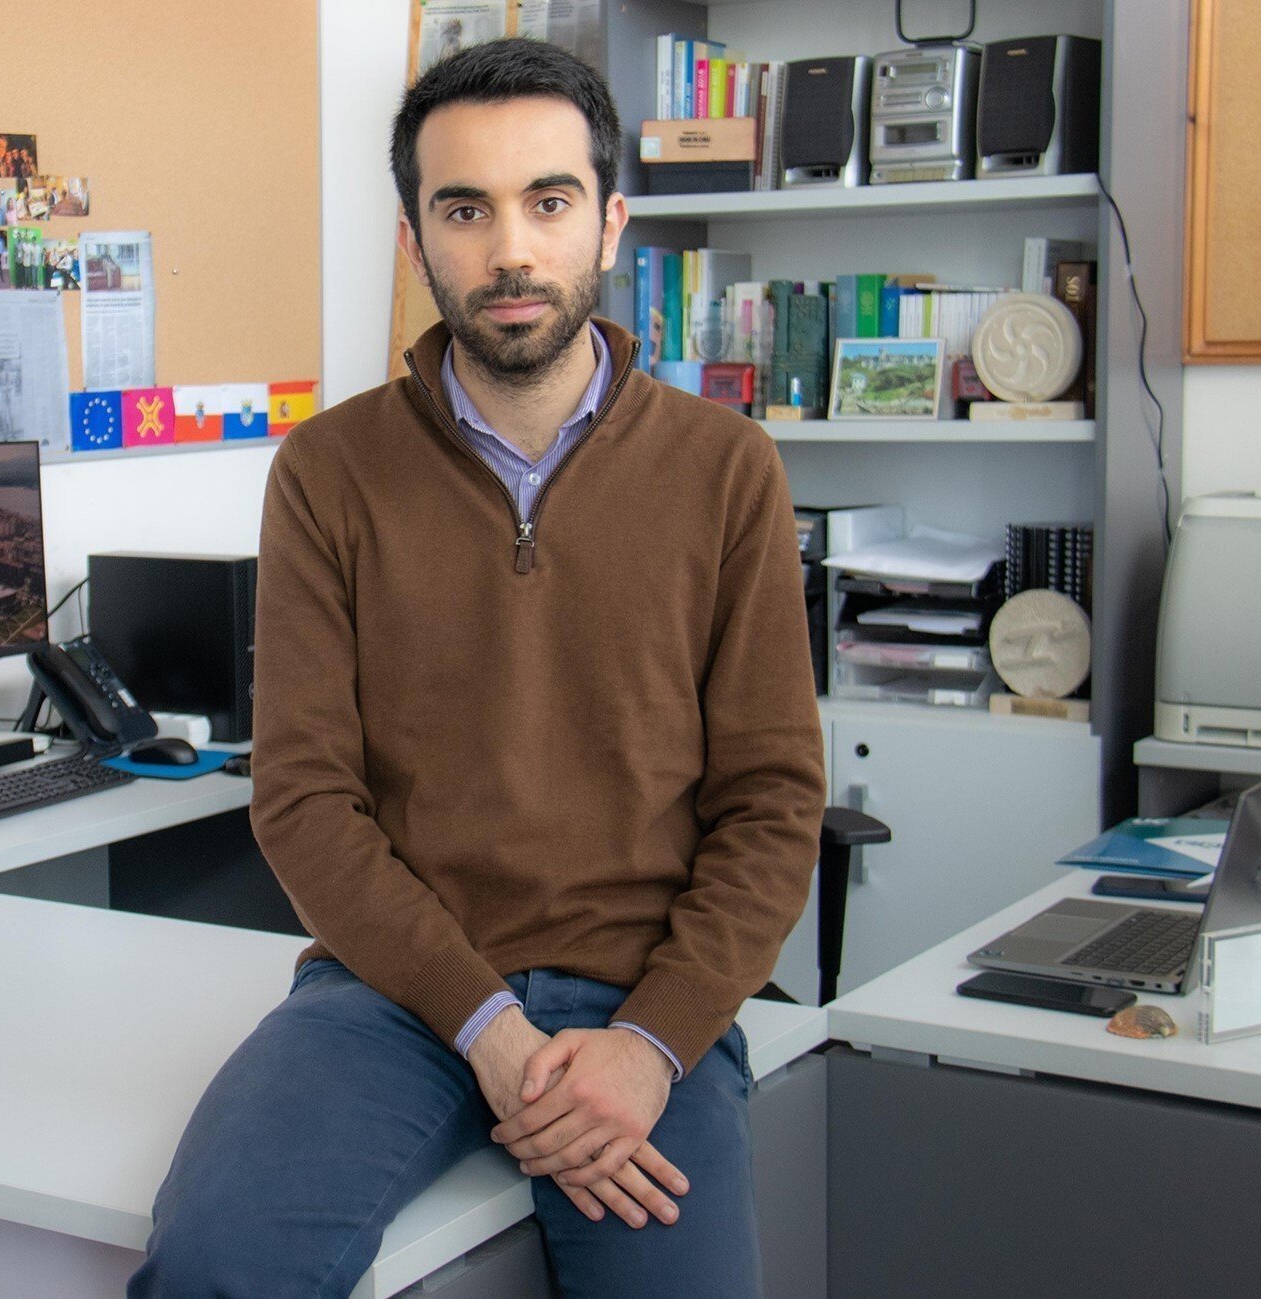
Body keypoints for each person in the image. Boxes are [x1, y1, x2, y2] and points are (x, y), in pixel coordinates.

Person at [130, 40, 824, 1298]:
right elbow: (304, 800)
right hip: (397, 995)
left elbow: (774, 803)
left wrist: (653, 1042)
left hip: (647, 994)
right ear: (416, 243)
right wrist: (490, 1030)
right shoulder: (329, 473)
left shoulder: (728, 470)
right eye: (465, 210)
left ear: (610, 223)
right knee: (214, 1267)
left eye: (548, 202)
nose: (511, 250)